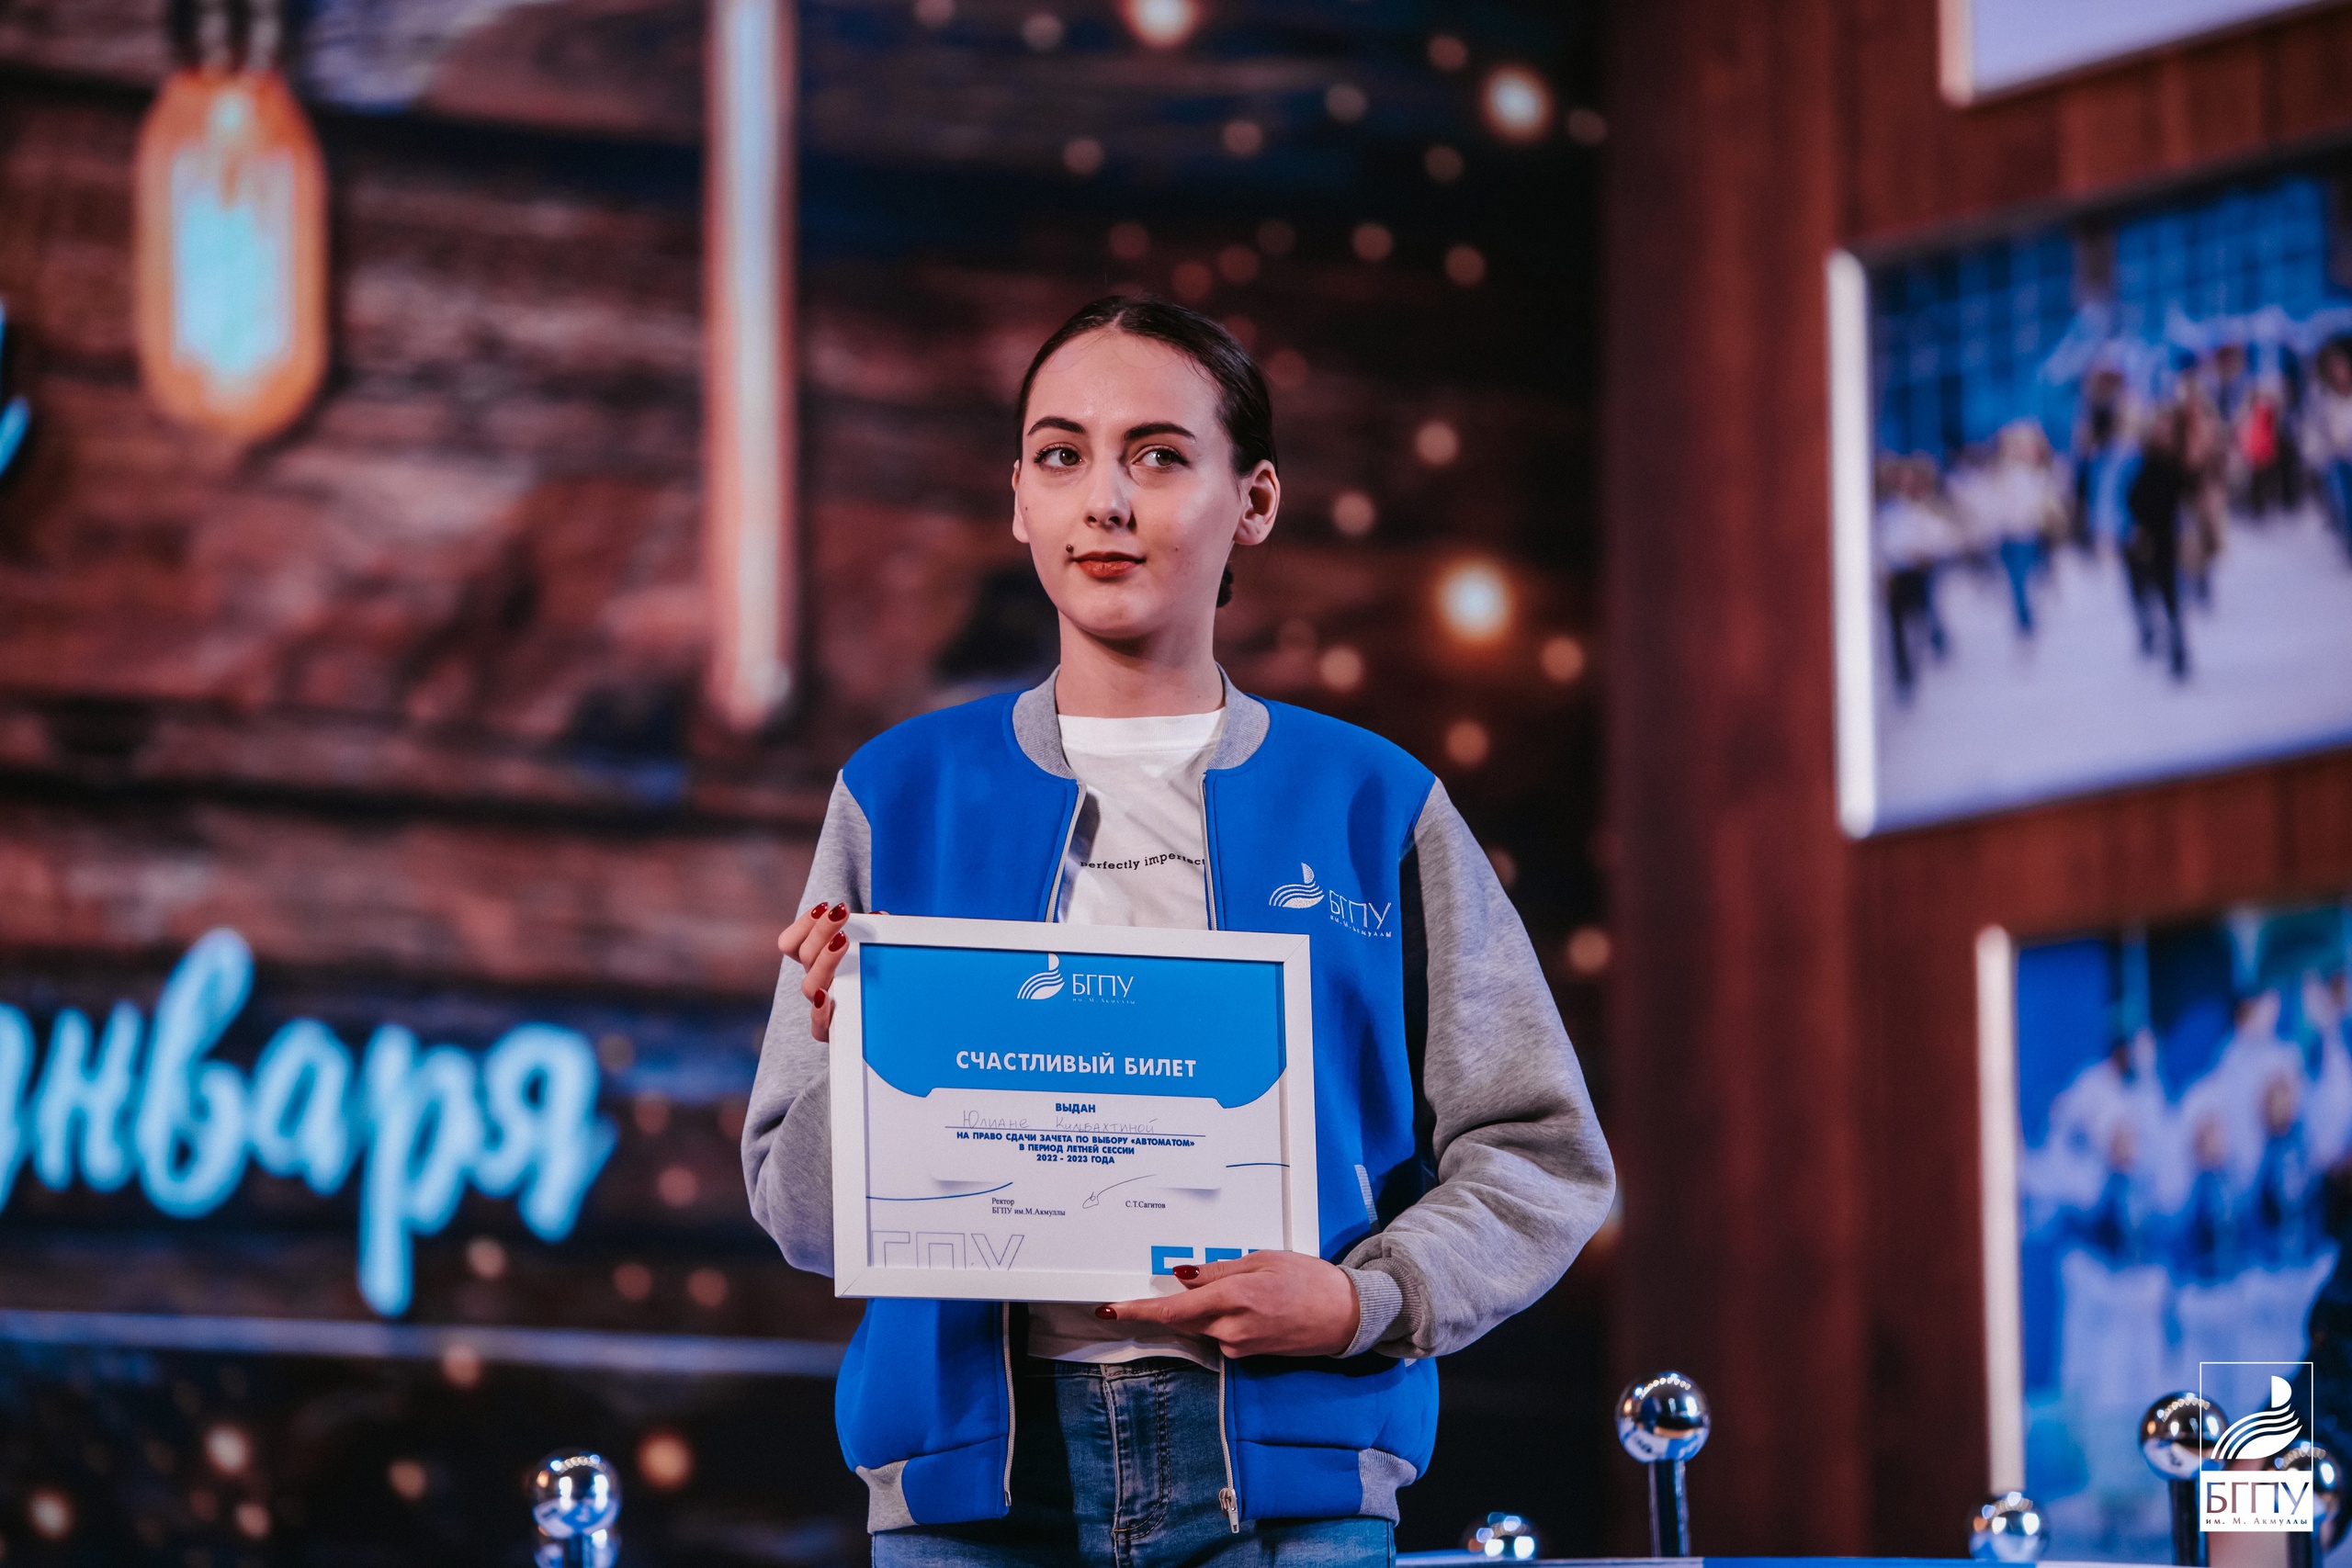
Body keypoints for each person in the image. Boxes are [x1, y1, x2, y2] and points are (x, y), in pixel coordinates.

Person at [740, 297, 1616, 1565]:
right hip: (977, 1500)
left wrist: (1361, 1299)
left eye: (1156, 455)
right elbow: (800, 1210)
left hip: (1290, 1486)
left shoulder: (1371, 802)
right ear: (1018, 500)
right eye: (1061, 455)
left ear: (1253, 500)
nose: (1105, 500)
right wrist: (864, 1079)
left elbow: (1540, 1155)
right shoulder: (902, 793)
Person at [2123, 405, 2192, 680]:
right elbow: (2132, 498)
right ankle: (2154, 636)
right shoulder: (2141, 461)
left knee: (2171, 594)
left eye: (2168, 430)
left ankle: (2178, 650)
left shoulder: (2178, 462)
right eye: (2160, 430)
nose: (2164, 435)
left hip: (2169, 538)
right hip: (2145, 538)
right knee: (2146, 592)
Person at [2304, 338, 2352, 559]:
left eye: (2340, 364)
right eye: (2332, 365)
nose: (2337, 370)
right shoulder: (2321, 392)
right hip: (2334, 456)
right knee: (2342, 502)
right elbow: (2312, 426)